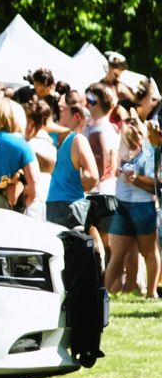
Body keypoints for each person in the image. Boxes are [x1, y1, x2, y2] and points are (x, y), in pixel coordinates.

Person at [106, 117, 158, 297]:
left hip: (141, 207)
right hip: (125, 206)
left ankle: (149, 293)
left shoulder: (148, 152)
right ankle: (109, 293)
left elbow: (156, 185)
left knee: (147, 253)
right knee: (122, 256)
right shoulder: (121, 152)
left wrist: (135, 179)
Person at [45, 102, 101, 230]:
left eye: (62, 111)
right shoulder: (76, 139)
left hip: (55, 204)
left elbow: (91, 176)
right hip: (69, 205)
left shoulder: (69, 140)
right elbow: (92, 177)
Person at [84, 83, 120, 264]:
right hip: (109, 191)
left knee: (101, 241)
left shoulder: (99, 131)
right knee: (107, 241)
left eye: (90, 100)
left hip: (99, 194)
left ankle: (106, 280)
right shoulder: (111, 127)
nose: (86, 103)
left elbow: (103, 164)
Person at [23, 99, 57, 221]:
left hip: (31, 204)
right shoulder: (52, 147)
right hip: (49, 203)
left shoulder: (29, 147)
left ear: (30, 123)